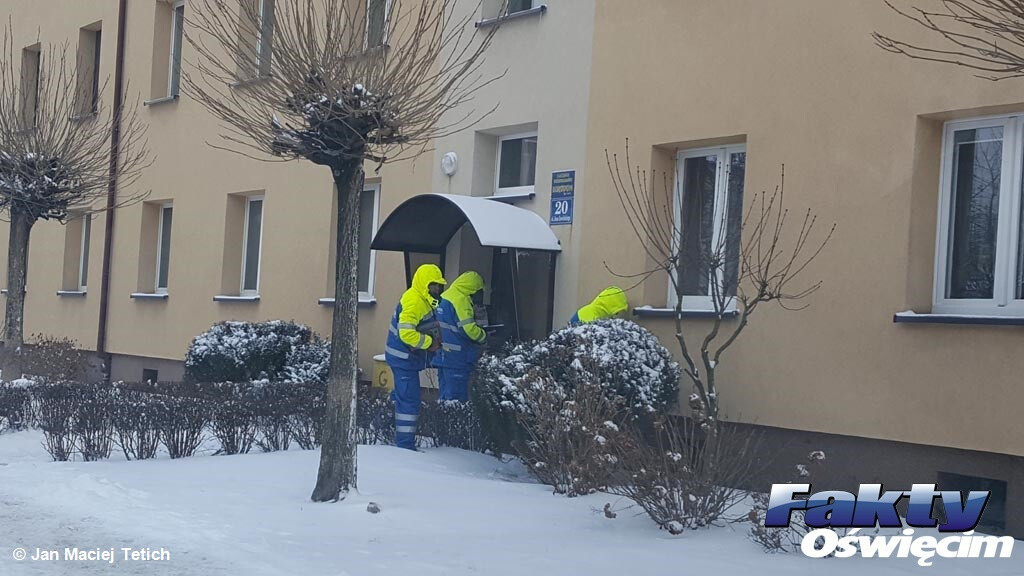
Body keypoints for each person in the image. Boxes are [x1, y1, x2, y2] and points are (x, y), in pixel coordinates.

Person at [385, 264, 446, 450]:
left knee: (401, 396)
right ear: (424, 284)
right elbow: (406, 334)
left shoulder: (423, 299)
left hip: (406, 358)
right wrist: (429, 343)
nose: (436, 290)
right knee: (409, 401)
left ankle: (377, 425)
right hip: (403, 358)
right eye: (433, 285)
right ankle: (405, 446)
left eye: (438, 286)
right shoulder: (414, 301)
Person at [434, 271, 487, 402]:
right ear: (473, 289)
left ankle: (442, 415)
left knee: (444, 397)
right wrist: (484, 336)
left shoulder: (445, 296)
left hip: (442, 355)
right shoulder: (461, 300)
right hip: (457, 358)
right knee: (457, 400)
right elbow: (469, 329)